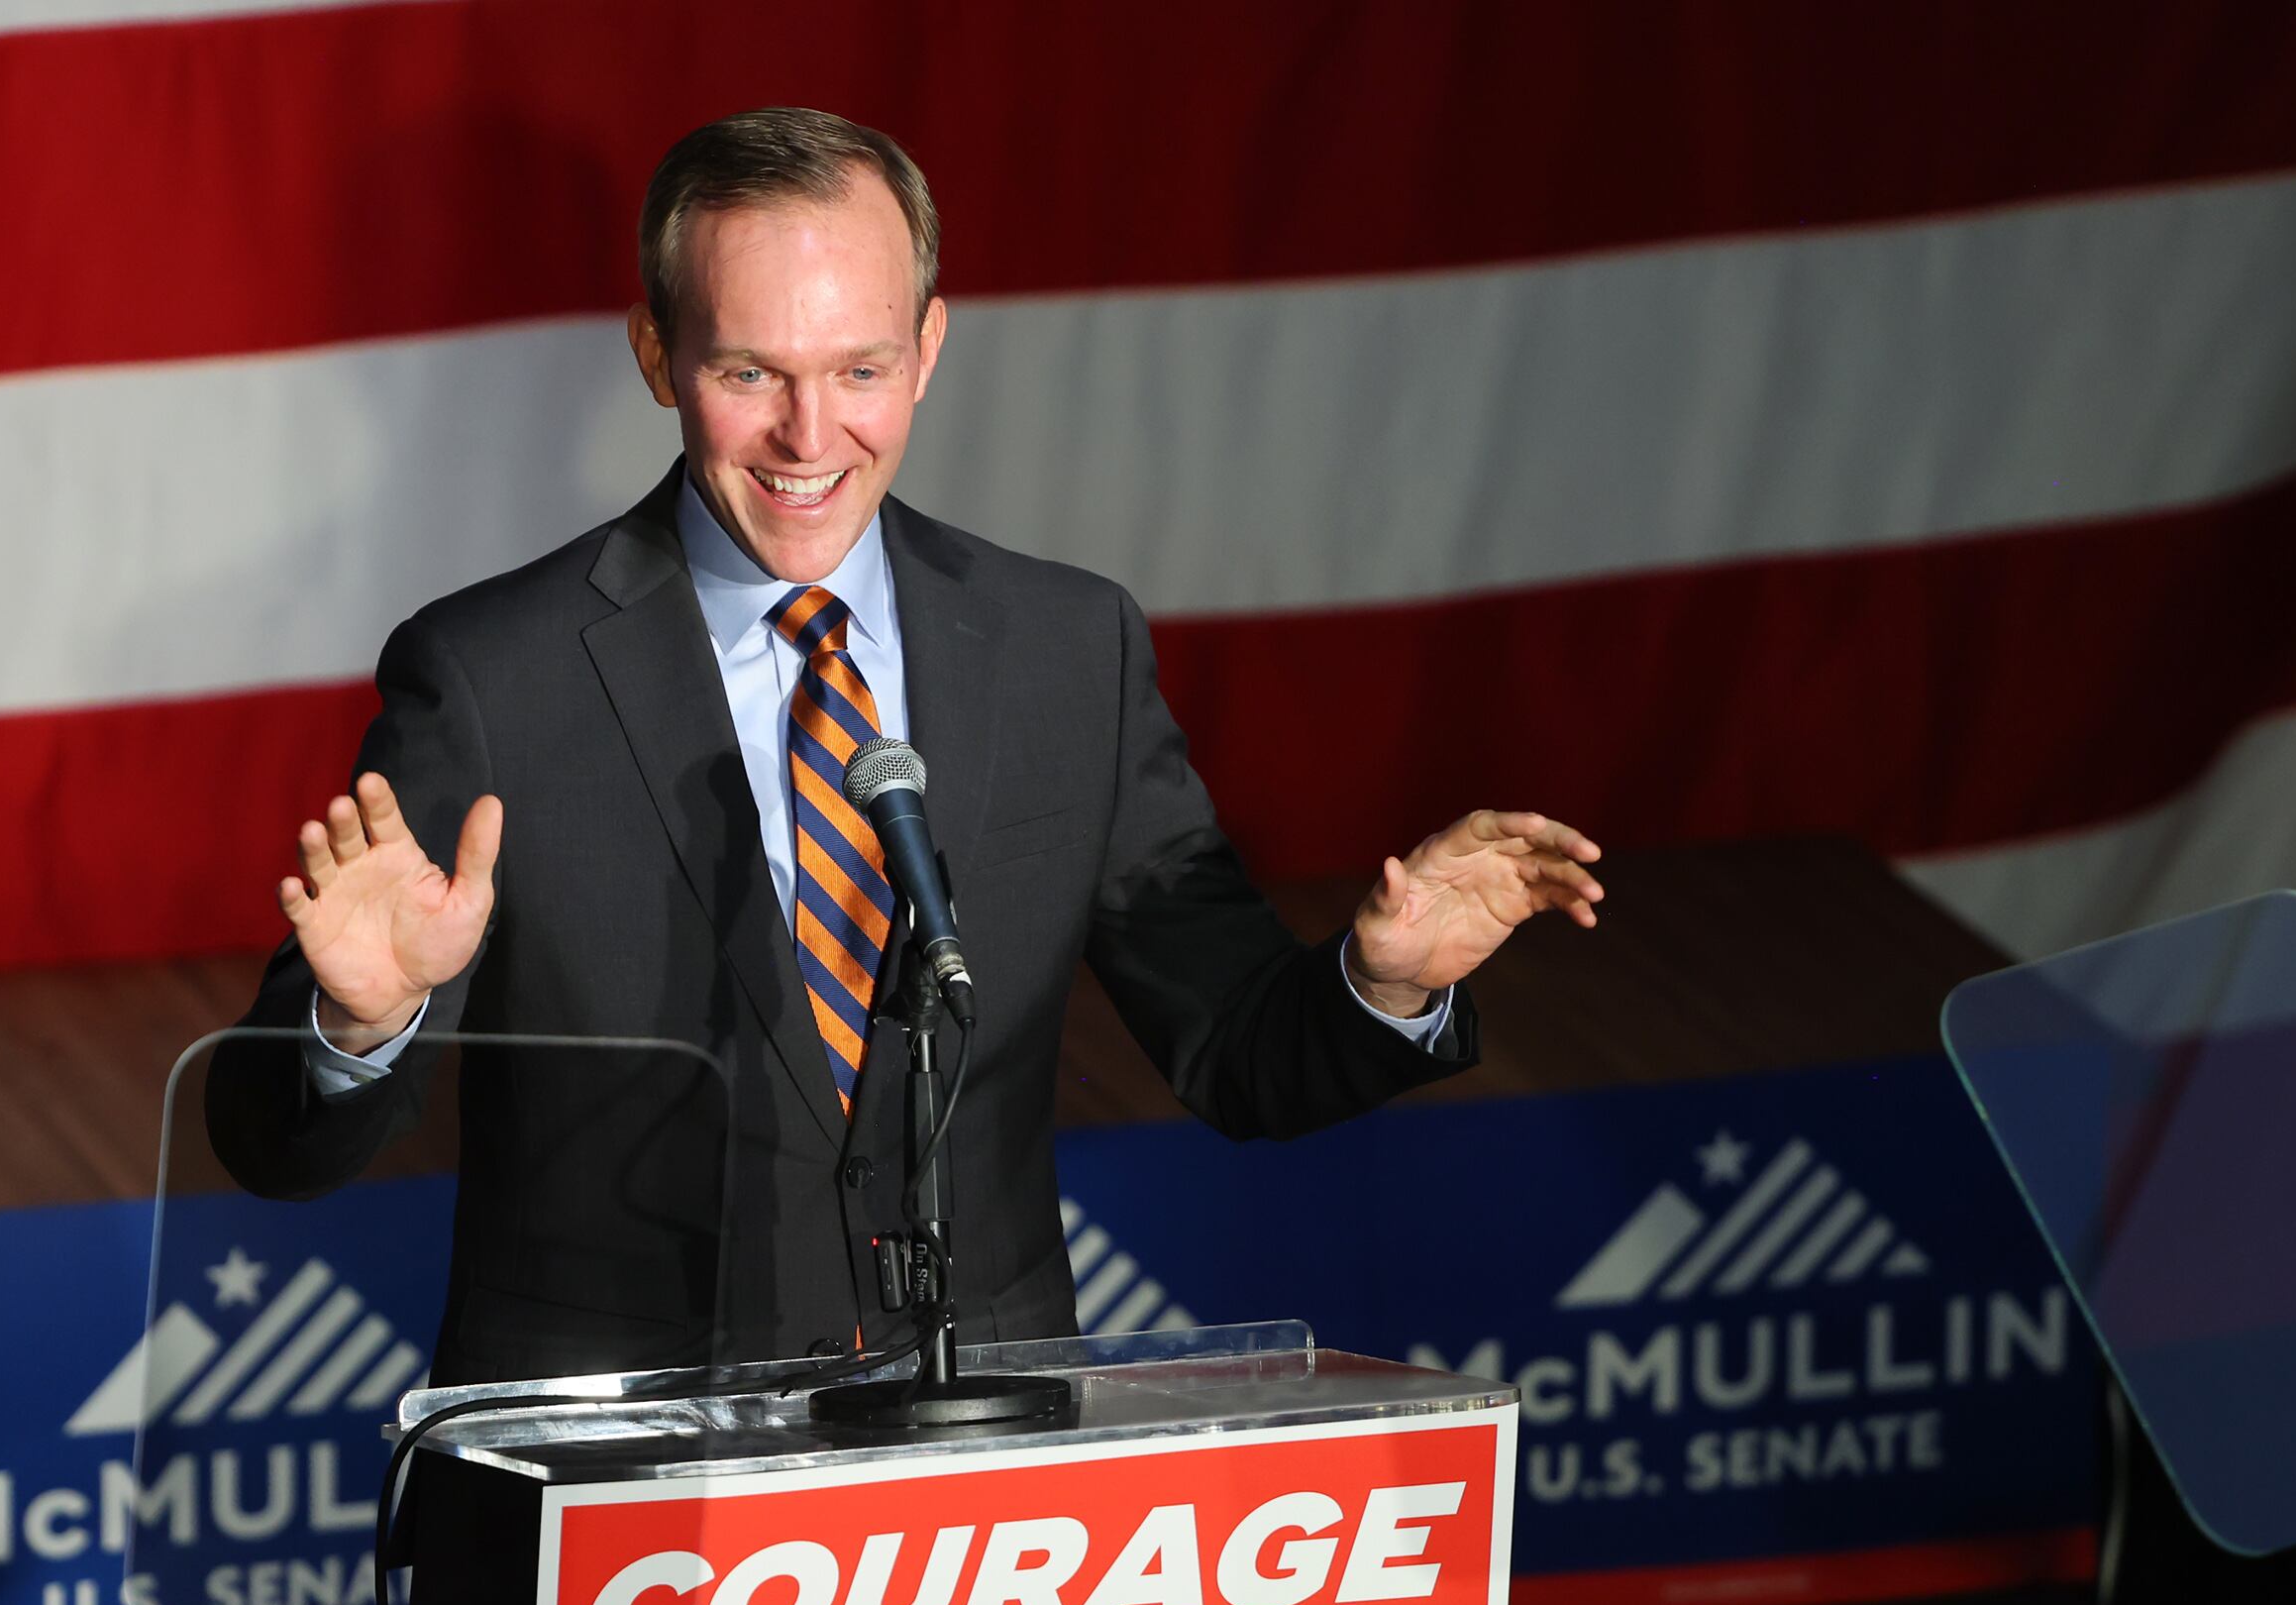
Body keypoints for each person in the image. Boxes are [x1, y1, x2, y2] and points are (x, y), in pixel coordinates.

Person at [209, 108, 1602, 1397]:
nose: (811, 438)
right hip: (618, 1501)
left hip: (972, 1496)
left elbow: (1238, 1054)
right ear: (656, 358)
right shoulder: (494, 676)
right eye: (750, 371)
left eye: (860, 370)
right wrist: (358, 1023)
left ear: (930, 348)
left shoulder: (1070, 652)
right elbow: (269, 1141)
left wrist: (1379, 984)